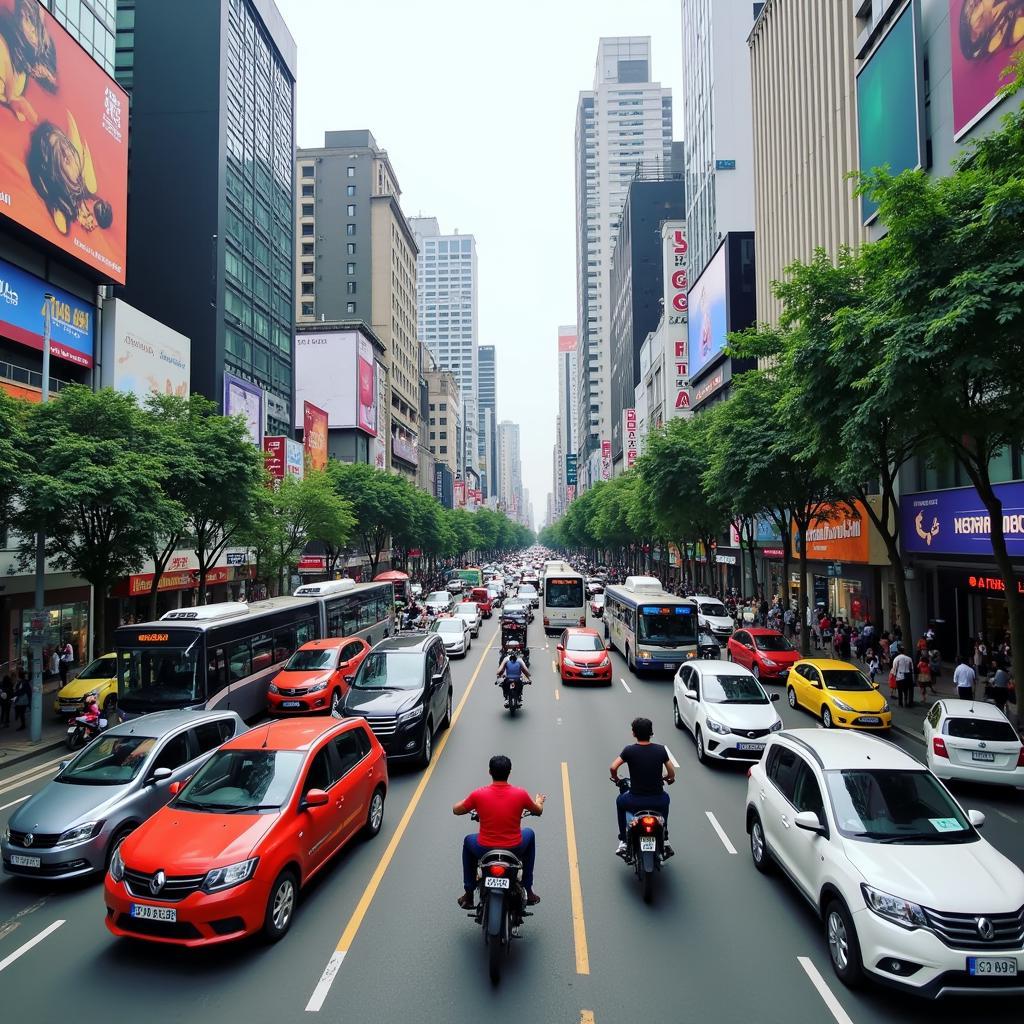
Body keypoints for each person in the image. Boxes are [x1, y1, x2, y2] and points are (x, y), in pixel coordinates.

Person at [453, 754, 545, 910]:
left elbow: (456, 810)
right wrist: (539, 801)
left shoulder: (478, 794)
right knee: (530, 833)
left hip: (484, 848)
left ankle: (468, 894)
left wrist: (469, 803)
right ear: (509, 772)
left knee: (468, 840)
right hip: (514, 847)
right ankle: (528, 890)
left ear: (490, 772)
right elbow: (538, 811)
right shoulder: (520, 794)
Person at [610, 717, 675, 858]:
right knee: (666, 800)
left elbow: (613, 767)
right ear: (651, 733)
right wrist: (667, 778)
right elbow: (671, 772)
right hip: (658, 801)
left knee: (619, 802)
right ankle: (665, 839)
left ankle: (623, 841)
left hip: (634, 801)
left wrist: (616, 778)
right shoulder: (661, 750)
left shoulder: (629, 751)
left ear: (634, 733)